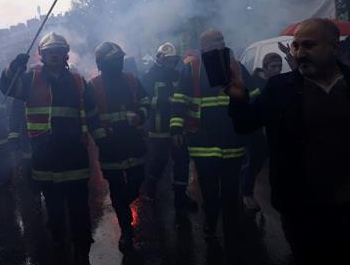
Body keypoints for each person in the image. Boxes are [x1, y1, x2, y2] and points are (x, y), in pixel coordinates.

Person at [226, 18, 350, 265]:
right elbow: (246, 124)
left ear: (333, 47)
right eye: (295, 46)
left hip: (346, 203)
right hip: (301, 206)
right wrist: (238, 98)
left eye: (309, 45)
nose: (299, 52)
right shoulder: (279, 88)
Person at [0, 32, 106, 265]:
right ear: (42, 56)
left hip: (75, 157)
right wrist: (14, 67)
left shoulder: (80, 82)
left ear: (65, 54)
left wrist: (104, 141)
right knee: (55, 212)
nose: (55, 55)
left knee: (80, 212)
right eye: (50, 52)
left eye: (59, 50)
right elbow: (7, 87)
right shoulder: (29, 79)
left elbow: (92, 115)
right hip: (45, 159)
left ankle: (82, 256)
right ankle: (60, 249)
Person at [170, 30, 257, 242]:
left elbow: (253, 96)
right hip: (203, 139)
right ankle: (210, 219)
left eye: (222, 39)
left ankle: (231, 227)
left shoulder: (236, 66)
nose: (221, 42)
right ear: (204, 46)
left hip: (232, 139)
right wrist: (176, 128)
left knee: (230, 187)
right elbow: (180, 99)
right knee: (209, 188)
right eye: (215, 40)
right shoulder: (193, 68)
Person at [90, 42, 150, 252]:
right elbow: (90, 116)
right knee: (116, 188)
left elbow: (146, 102)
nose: (119, 64)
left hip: (133, 142)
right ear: (103, 64)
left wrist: (140, 115)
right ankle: (126, 231)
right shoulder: (94, 86)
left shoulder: (132, 80)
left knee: (137, 180)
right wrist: (101, 139)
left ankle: (123, 204)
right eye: (114, 61)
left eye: (119, 60)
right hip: (110, 146)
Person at [142, 42, 195, 217]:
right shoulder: (150, 76)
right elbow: (146, 100)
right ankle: (150, 189)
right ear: (160, 59)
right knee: (159, 160)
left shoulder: (178, 75)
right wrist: (168, 101)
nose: (171, 63)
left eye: (174, 60)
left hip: (177, 126)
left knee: (181, 160)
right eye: (168, 60)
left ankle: (181, 196)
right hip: (158, 128)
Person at [241, 53, 282, 213]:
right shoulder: (255, 83)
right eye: (273, 66)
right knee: (255, 162)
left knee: (265, 161)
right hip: (256, 131)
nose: (277, 70)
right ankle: (246, 193)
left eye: (279, 66)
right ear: (265, 67)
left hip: (274, 129)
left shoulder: (278, 82)